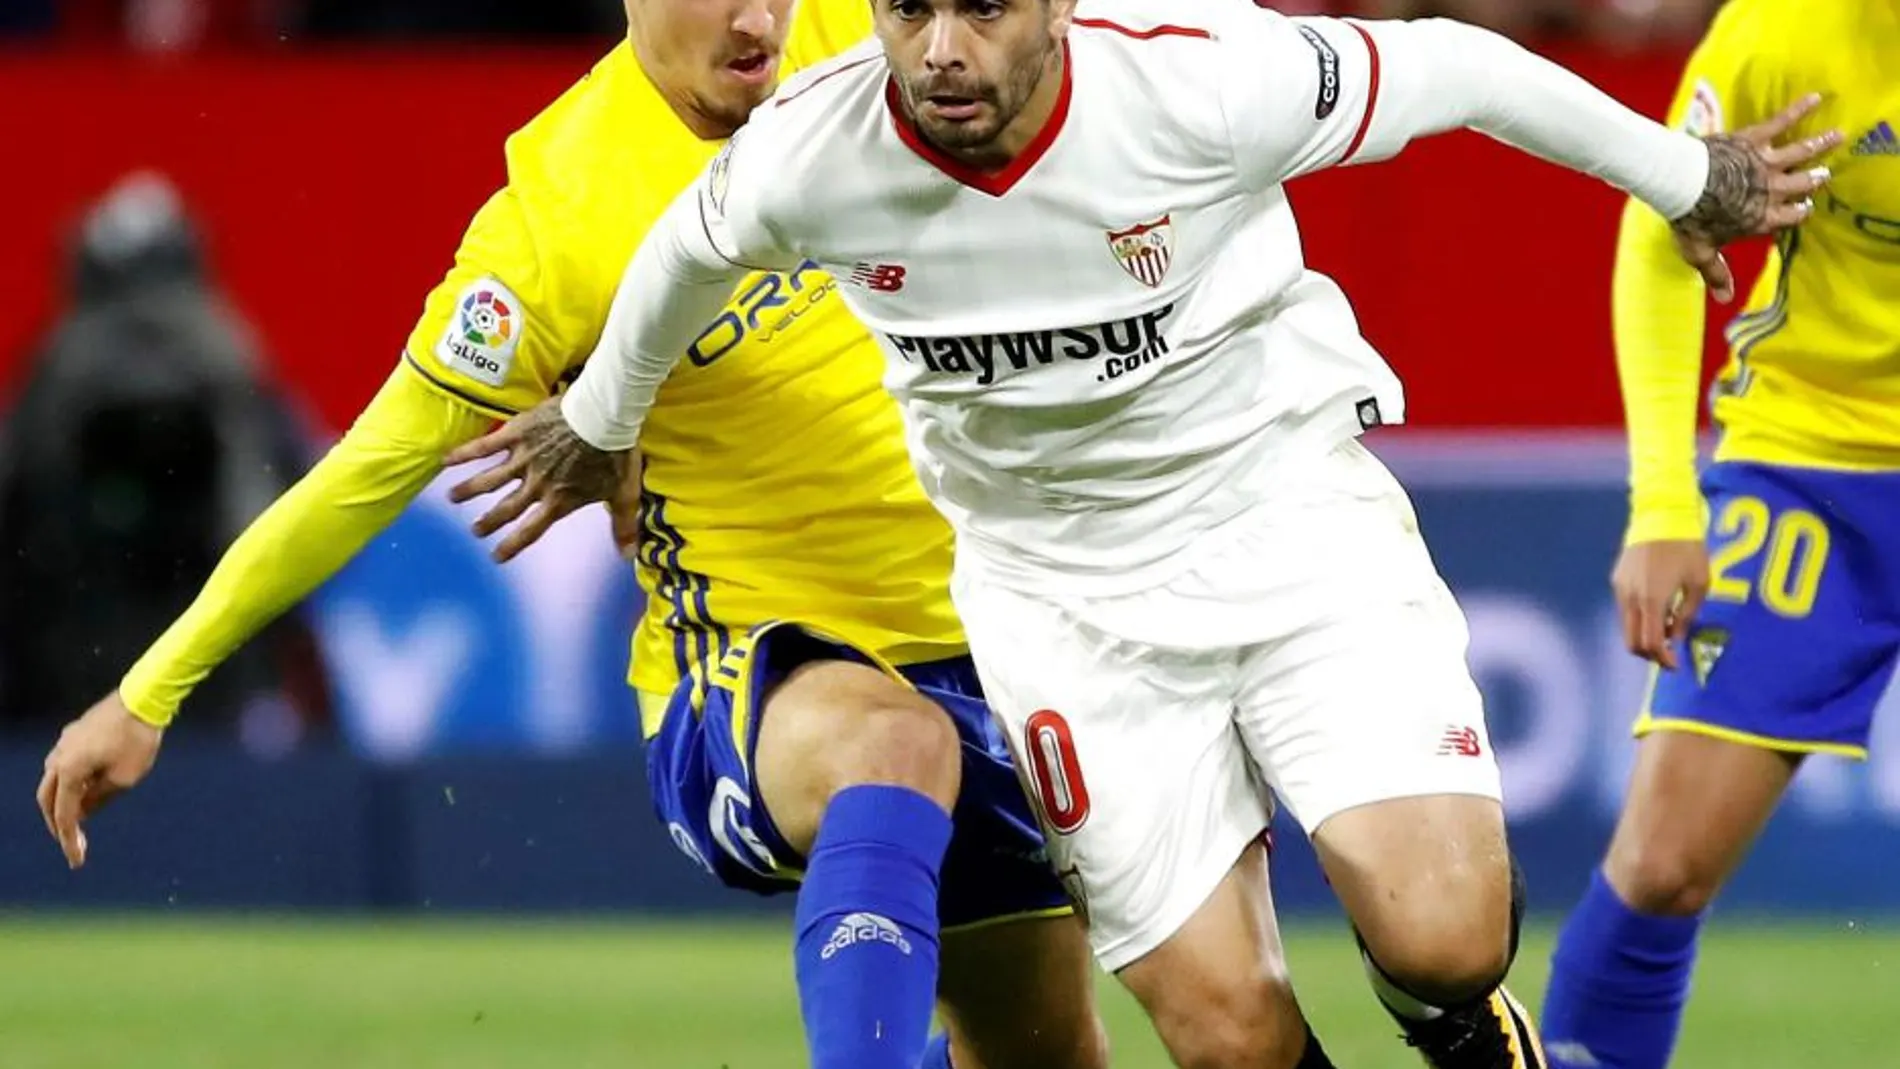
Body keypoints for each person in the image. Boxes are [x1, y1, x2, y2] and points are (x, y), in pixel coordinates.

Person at [449, 0, 1837, 1067]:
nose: (938, 50)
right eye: (906, 11)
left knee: (1444, 934)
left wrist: (1679, 175)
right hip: (1062, 607)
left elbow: (1459, 73)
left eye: (982, 9)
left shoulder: (1197, 75)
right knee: (1227, 1035)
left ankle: (1469, 1028)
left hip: (1290, 531)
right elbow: (683, 256)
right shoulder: (817, 151)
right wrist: (600, 418)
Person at [34, 1, 1120, 1066]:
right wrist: (148, 691)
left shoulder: (881, 34)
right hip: (751, 679)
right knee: (896, 746)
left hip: (999, 653)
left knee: (1044, 1051)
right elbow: (364, 475)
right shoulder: (561, 209)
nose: (758, 24)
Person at [1539, 2, 1897, 1067]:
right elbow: (1660, 229)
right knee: (1659, 867)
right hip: (1808, 464)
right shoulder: (1785, 30)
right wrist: (1661, 505)